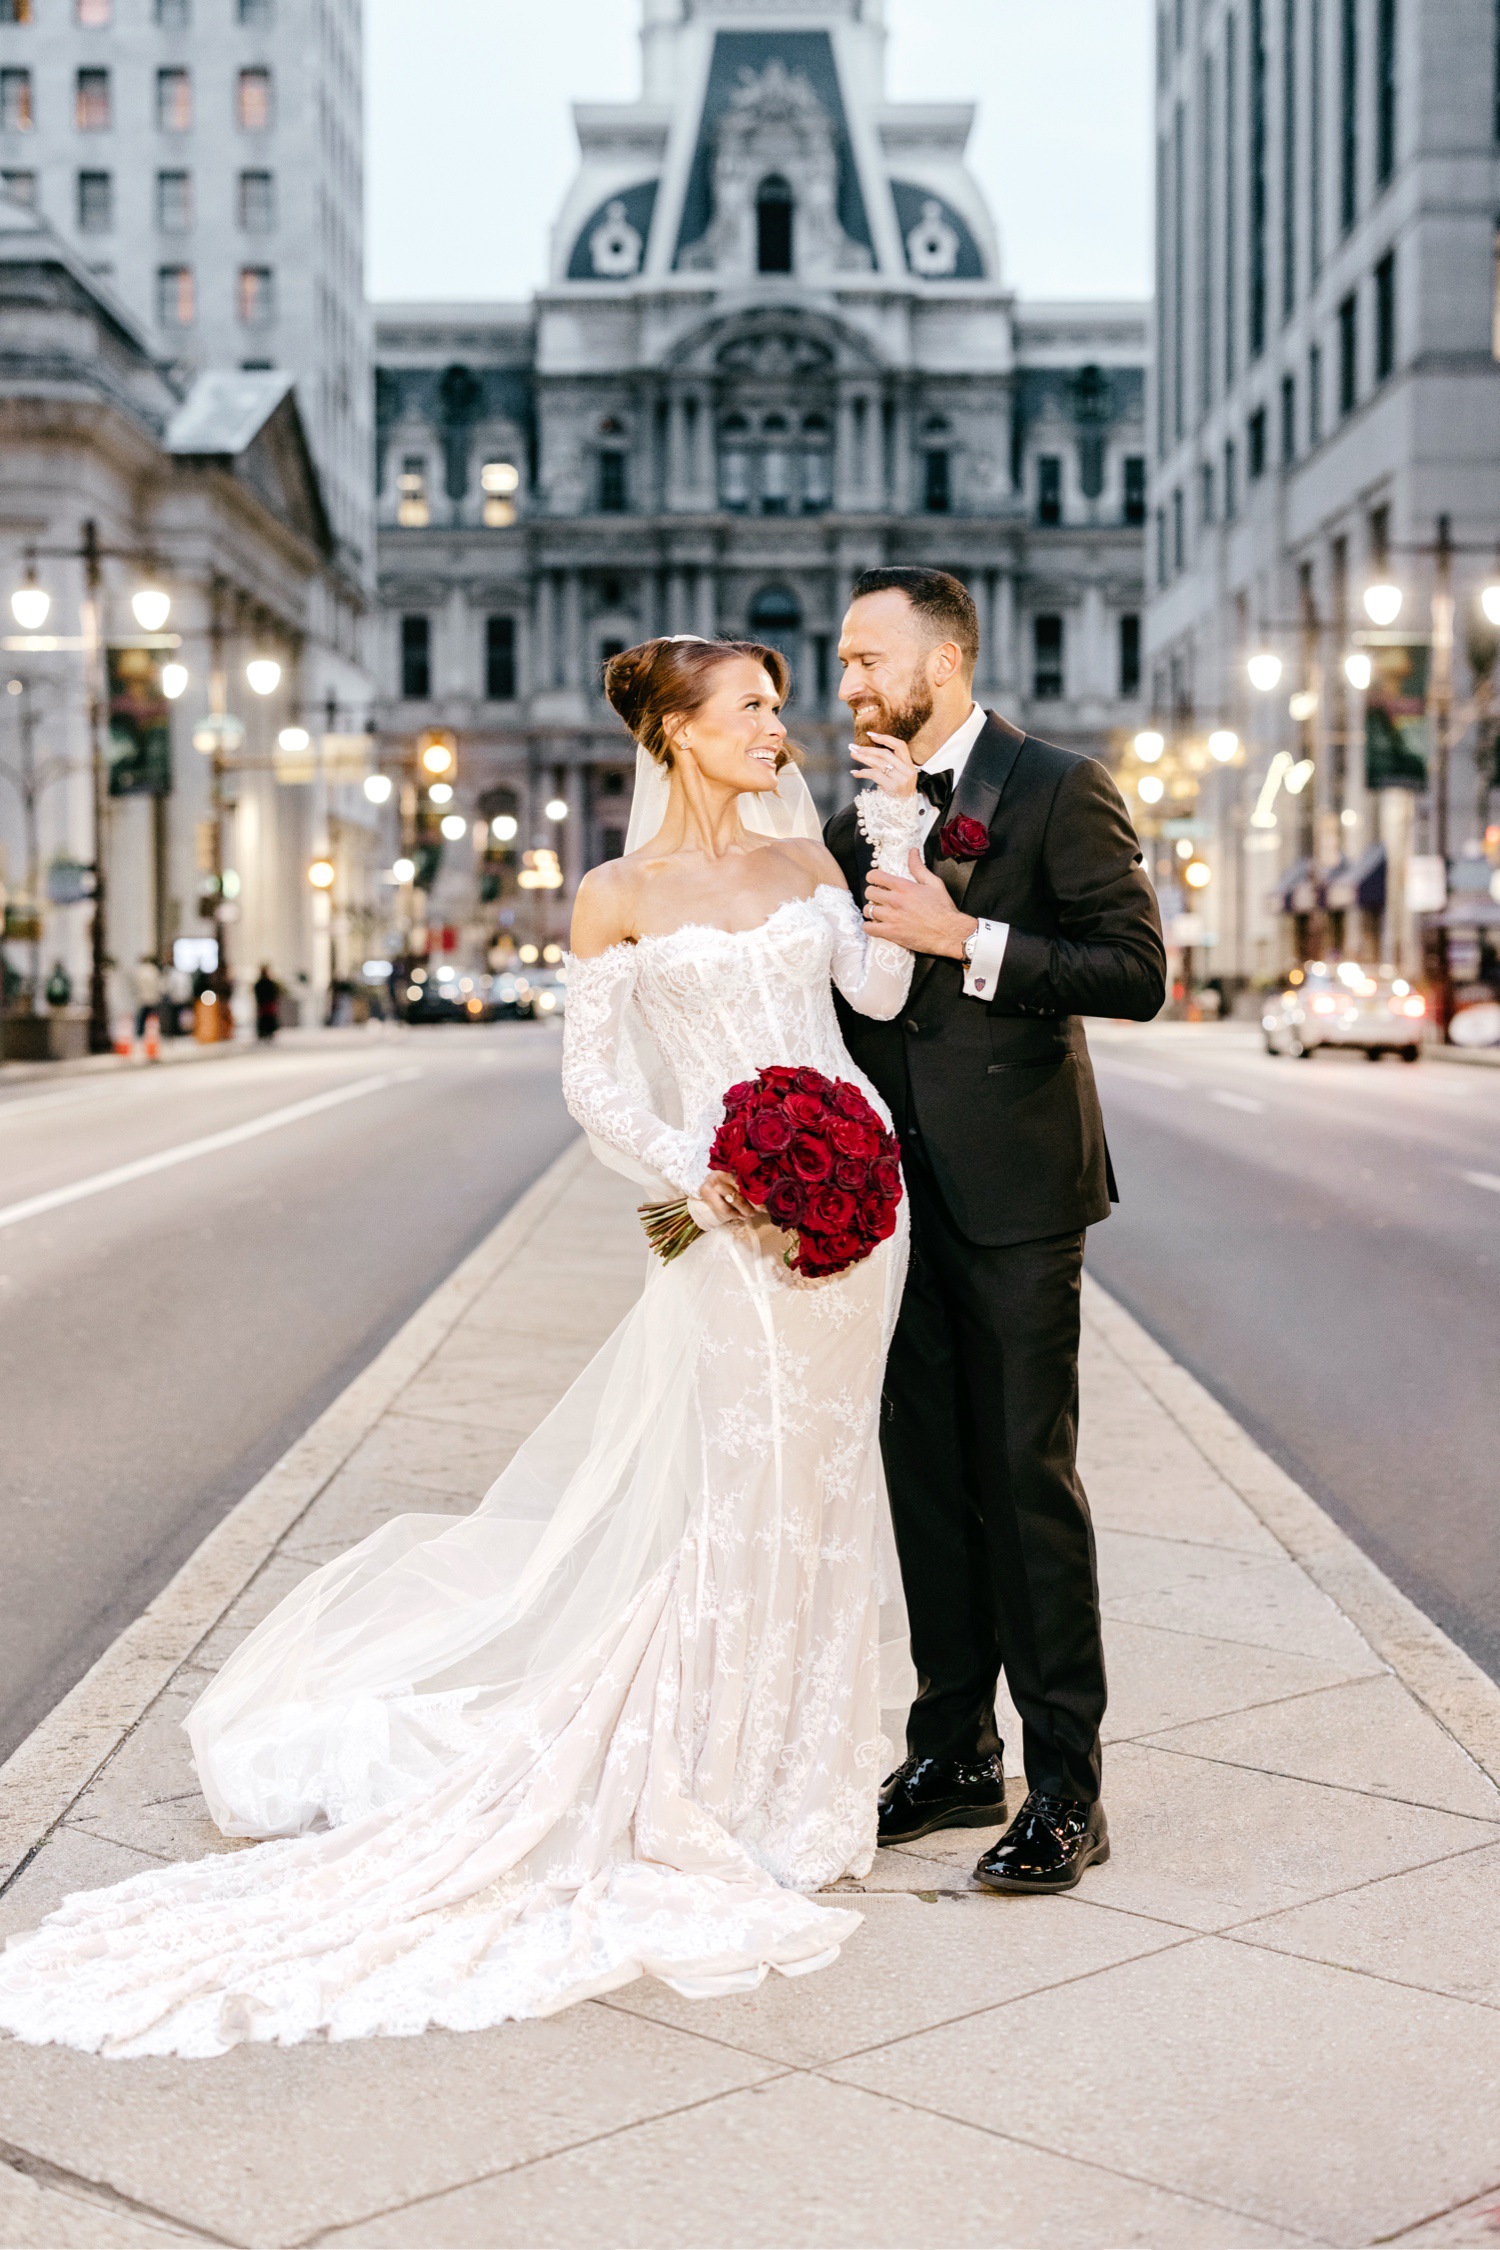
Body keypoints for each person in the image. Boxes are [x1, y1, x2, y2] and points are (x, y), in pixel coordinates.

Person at [0, 635, 925, 2059]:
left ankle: (813, 1770)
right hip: (731, 1216)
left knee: (832, 1475)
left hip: (859, 1211)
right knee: (747, 1480)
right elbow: (592, 1076)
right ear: (677, 733)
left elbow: (872, 1003)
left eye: (779, 707)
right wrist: (703, 1167)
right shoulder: (615, 896)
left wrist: (903, 837)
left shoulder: (810, 867)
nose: (778, 728)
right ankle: (719, 1773)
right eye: (751, 707)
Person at [825, 567, 1166, 1895]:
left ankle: (1067, 1788)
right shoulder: (850, 815)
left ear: (946, 660)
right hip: (890, 1208)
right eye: (843, 662)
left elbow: (1134, 969)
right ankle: (954, 1747)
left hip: (1022, 1198)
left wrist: (970, 936)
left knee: (1026, 1482)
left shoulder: (1055, 785)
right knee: (928, 1482)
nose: (849, 683)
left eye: (868, 657)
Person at [131, 955, 162, 1040]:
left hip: (144, 997)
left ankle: (141, 1033)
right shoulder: (153, 969)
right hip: (151, 996)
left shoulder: (140, 970)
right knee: (151, 1017)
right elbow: (158, 984)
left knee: (143, 1016)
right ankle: (152, 1033)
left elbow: (136, 985)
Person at [253, 963, 280, 1043]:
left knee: (265, 1018)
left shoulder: (261, 983)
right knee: (266, 1018)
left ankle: (265, 1031)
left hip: (264, 1004)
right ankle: (267, 1031)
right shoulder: (268, 983)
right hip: (266, 1004)